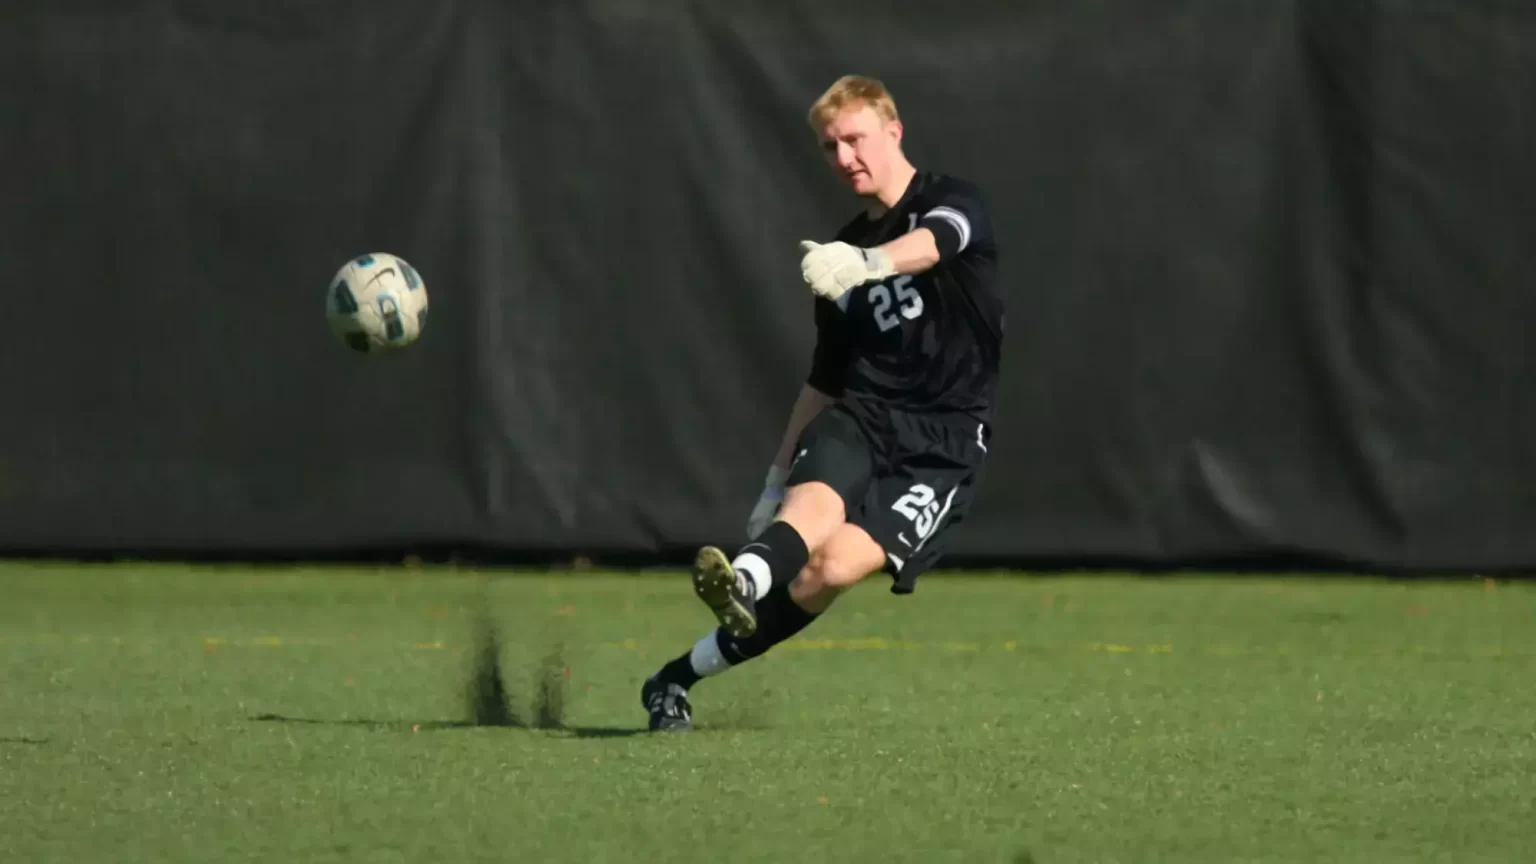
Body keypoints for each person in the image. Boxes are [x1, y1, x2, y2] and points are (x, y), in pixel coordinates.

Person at [642, 74, 1005, 731]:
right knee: (809, 511)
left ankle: (674, 678)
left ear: (893, 131)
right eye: (830, 146)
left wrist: (869, 264)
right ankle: (747, 578)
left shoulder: (951, 203)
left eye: (855, 138)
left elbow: (938, 243)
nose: (844, 157)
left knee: (827, 570)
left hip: (943, 445)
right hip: (864, 417)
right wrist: (775, 479)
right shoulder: (836, 258)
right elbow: (824, 382)